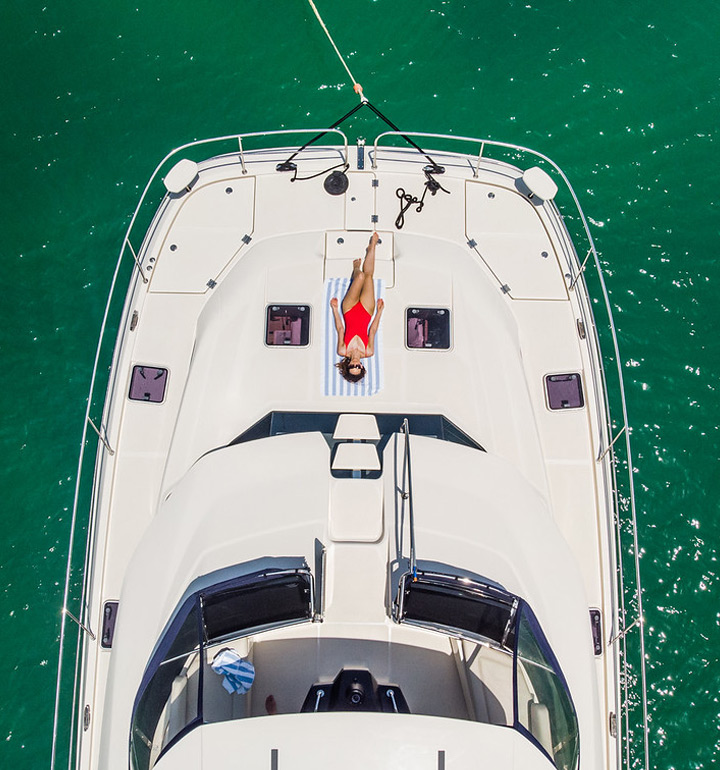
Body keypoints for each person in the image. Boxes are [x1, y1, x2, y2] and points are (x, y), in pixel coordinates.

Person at [330, 232, 384, 382]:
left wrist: (335, 309)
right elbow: (372, 330)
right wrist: (379, 311)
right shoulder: (369, 351)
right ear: (362, 366)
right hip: (367, 312)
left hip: (349, 310)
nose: (356, 365)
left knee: (359, 276)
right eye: (358, 367)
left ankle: (355, 268)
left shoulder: (342, 350)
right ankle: (372, 246)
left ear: (348, 367)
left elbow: (340, 329)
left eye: (352, 367)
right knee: (368, 277)